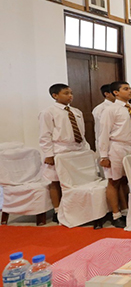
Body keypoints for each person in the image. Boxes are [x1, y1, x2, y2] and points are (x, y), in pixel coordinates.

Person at [39, 84, 89, 223]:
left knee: (74, 180)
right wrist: (49, 154)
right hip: (59, 149)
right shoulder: (48, 112)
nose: (70, 96)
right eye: (66, 93)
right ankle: (57, 210)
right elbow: (45, 135)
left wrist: (85, 148)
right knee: (55, 181)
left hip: (77, 149)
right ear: (55, 95)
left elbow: (82, 132)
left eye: (71, 93)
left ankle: (73, 207)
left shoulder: (76, 111)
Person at [97, 81, 131, 228]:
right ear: (116, 92)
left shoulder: (130, 108)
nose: (130, 91)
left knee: (125, 179)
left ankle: (126, 209)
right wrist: (104, 155)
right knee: (114, 181)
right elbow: (103, 133)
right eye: (126, 89)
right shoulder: (111, 110)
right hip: (116, 146)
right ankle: (116, 214)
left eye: (130, 88)